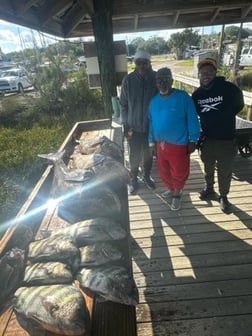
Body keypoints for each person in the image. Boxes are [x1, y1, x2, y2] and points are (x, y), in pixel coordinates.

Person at [192, 58, 244, 214]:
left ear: (215, 72)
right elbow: (195, 112)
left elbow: (239, 104)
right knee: (207, 167)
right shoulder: (197, 94)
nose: (205, 76)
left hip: (226, 140)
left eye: (208, 72)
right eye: (202, 73)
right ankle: (209, 189)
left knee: (224, 170)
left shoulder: (228, 88)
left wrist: (224, 116)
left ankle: (224, 196)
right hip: (207, 139)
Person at [148, 67, 200, 211]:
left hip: (179, 143)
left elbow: (192, 119)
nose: (162, 82)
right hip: (160, 144)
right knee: (163, 170)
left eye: (166, 78)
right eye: (159, 80)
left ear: (172, 80)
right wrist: (151, 142)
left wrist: (193, 139)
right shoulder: (153, 101)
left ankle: (177, 194)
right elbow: (151, 123)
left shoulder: (183, 97)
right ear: (156, 83)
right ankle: (171, 189)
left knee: (179, 170)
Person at [120, 49, 157, 194]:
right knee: (134, 155)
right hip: (133, 127)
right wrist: (125, 124)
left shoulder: (155, 78)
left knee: (148, 154)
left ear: (149, 63)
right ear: (134, 63)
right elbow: (123, 104)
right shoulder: (128, 80)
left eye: (145, 62)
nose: (142, 65)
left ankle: (147, 176)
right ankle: (133, 179)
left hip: (150, 127)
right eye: (139, 62)